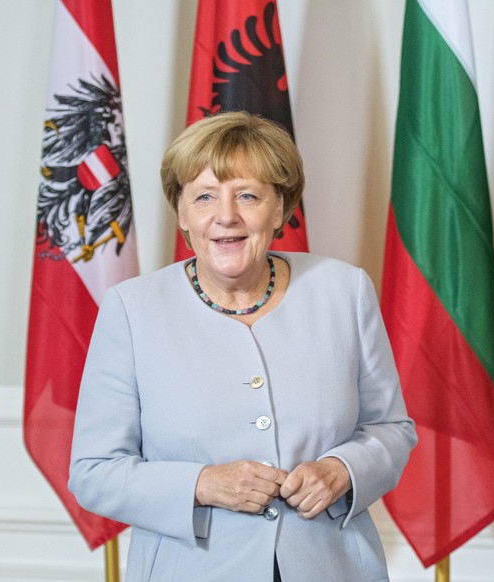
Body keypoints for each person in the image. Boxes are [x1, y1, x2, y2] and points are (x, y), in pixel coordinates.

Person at [69, 111, 417, 581]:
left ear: (279, 208)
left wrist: (343, 469)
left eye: (248, 196)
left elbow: (391, 428)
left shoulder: (344, 291)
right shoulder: (132, 309)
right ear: (183, 214)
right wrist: (202, 484)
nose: (226, 216)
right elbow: (93, 472)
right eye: (205, 196)